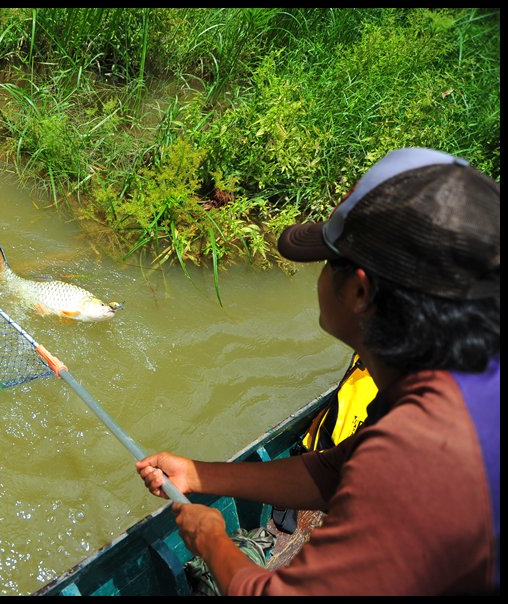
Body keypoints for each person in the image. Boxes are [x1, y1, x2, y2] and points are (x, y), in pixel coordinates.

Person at [136, 147, 500, 596]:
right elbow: (334, 473)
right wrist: (199, 474)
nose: (320, 277)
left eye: (328, 261)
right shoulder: (456, 379)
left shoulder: (420, 453)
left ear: (360, 290)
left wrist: (212, 538)